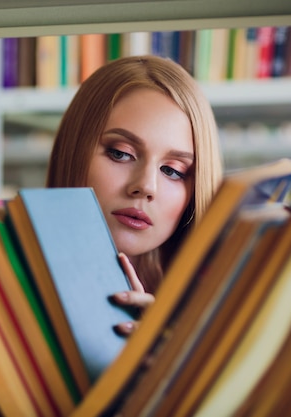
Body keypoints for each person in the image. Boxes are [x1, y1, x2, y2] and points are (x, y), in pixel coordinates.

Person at [45, 55, 223, 335]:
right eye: (121, 154)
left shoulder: (217, 315)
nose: (146, 186)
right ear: (73, 150)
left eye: (173, 170)